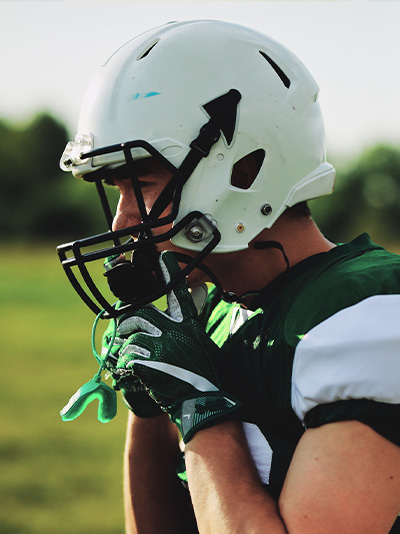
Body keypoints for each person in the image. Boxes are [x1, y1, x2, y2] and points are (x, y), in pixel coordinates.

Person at [59, 20, 400, 534]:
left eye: (142, 185)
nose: (122, 221)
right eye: (116, 190)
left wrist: (198, 404)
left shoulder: (364, 317)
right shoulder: (212, 313)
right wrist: (152, 403)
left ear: (245, 170)